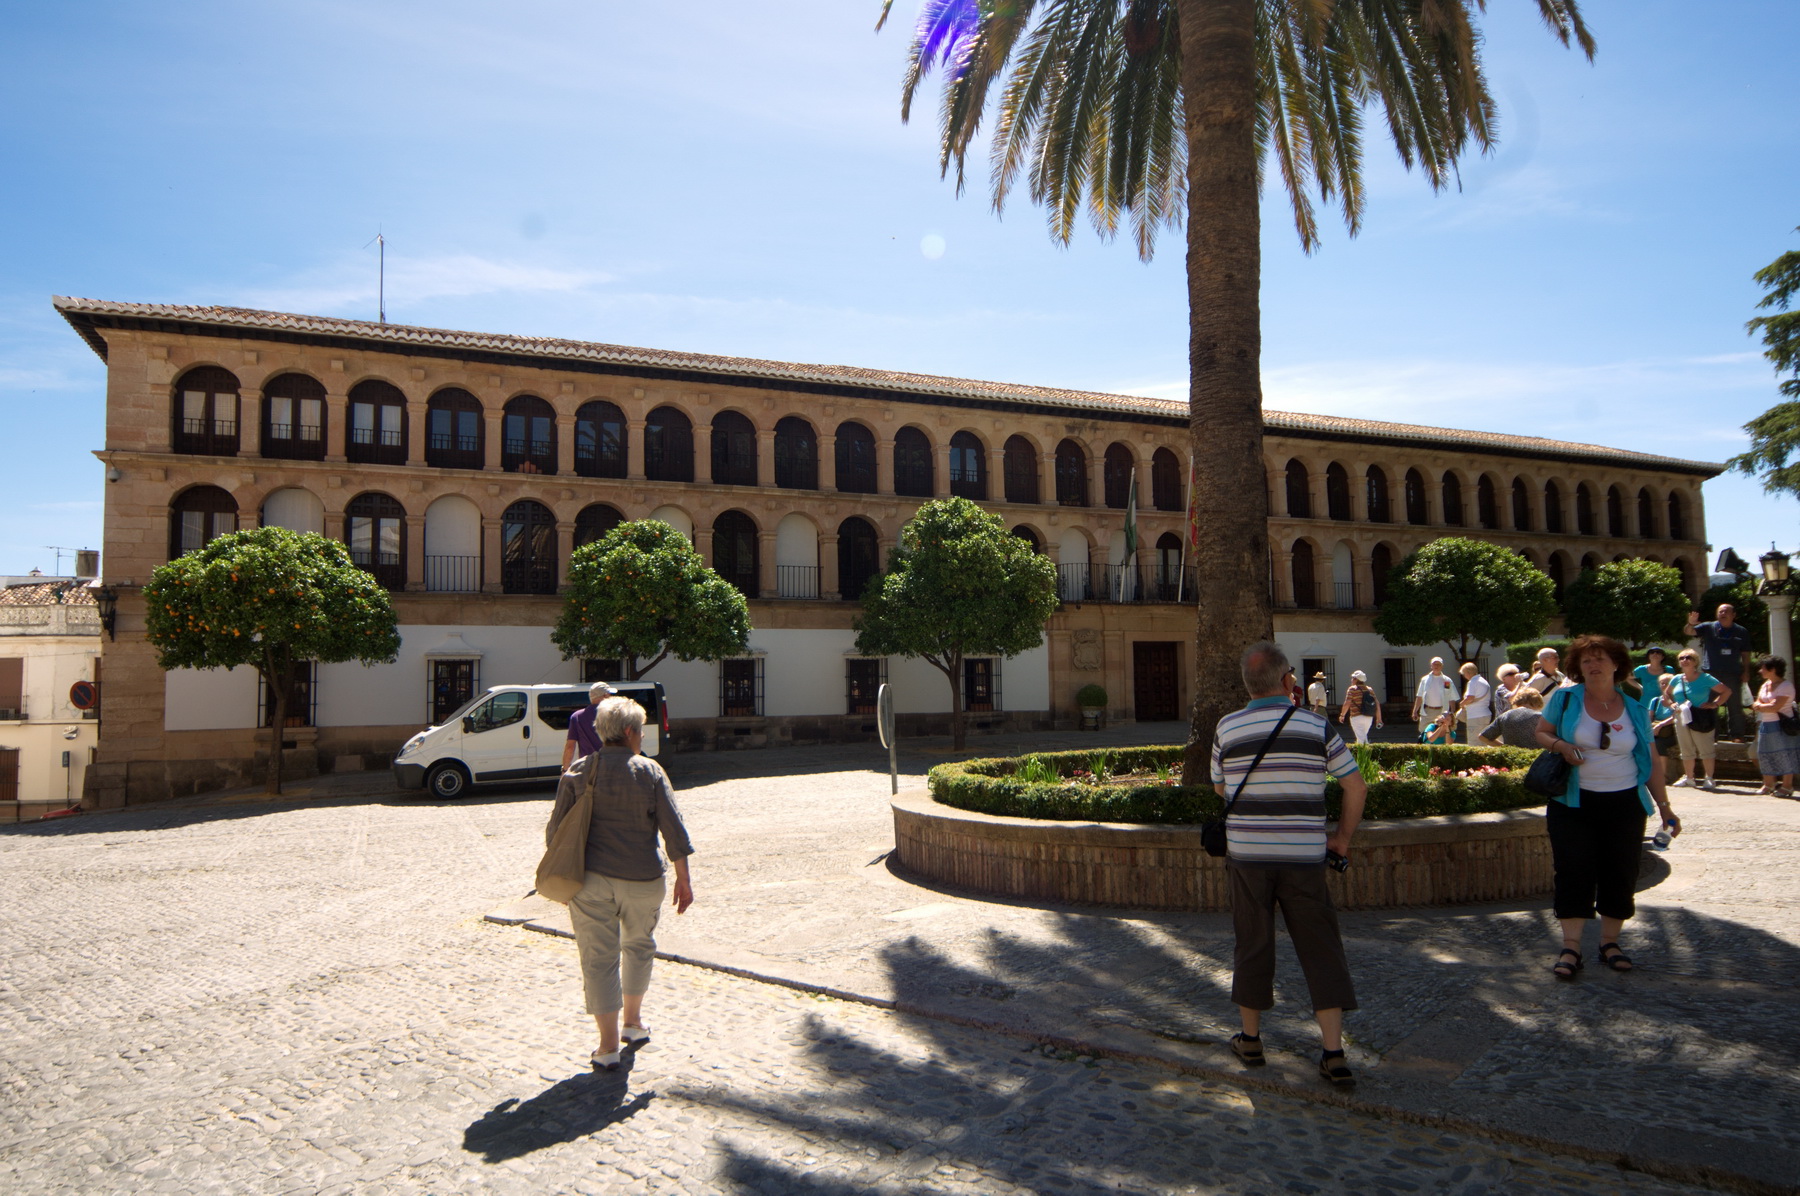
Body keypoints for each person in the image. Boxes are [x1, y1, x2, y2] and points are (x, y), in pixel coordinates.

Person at [1212, 642, 1366, 1088]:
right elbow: (1355, 787)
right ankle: (1334, 1053)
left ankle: (1251, 1039)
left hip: (1248, 857)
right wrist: (1341, 838)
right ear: (1286, 681)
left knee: (1252, 942)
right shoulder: (1315, 727)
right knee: (1321, 947)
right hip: (1304, 857)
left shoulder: (1228, 727)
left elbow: (1221, 789)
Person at [544, 696, 695, 1071]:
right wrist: (683, 879)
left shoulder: (578, 771)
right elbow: (673, 830)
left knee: (598, 961)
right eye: (641, 730)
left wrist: (566, 879)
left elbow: (555, 833)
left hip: (590, 882)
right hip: (643, 878)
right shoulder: (650, 771)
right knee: (640, 947)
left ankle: (607, 1046)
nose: (642, 736)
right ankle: (634, 1022)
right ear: (629, 732)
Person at [1534, 635, 1679, 978]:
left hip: (1625, 802)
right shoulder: (1566, 699)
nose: (1593, 665)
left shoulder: (1636, 709)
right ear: (1578, 668)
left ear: (1617, 665)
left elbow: (1650, 758)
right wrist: (1561, 746)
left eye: (1600, 659)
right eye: (1586, 661)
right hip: (1573, 801)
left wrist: (1665, 807)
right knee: (1573, 870)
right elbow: (1541, 732)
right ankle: (1570, 947)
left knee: (1620, 871)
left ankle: (1610, 943)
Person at [1664, 649, 1729, 790]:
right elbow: (1667, 693)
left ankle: (1709, 778)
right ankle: (1689, 778)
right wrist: (1671, 703)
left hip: (1700, 716)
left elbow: (1726, 691)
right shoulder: (1676, 679)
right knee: (1686, 748)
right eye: (1682, 658)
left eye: (1689, 657)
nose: (1685, 660)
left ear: (1695, 661)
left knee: (1705, 748)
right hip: (1681, 716)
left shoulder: (1705, 678)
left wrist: (1715, 704)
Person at [1687, 605, 1752, 738]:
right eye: (1720, 612)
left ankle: (1737, 735)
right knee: (1710, 705)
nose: (1723, 614)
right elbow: (1689, 632)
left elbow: (1745, 653)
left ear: (1734, 614)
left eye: (1726, 612)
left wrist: (1746, 671)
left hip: (1732, 673)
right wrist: (1690, 623)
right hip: (1711, 674)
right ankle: (1711, 735)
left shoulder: (1741, 631)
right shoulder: (1708, 627)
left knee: (1735, 705)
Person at [1751, 656, 1799, 797]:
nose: (1760, 671)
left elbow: (1775, 706)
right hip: (1766, 724)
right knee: (1764, 754)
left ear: (1773, 669)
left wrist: (1762, 706)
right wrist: (1763, 706)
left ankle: (1787, 786)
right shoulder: (1766, 685)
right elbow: (1757, 702)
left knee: (1784, 754)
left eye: (1763, 668)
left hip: (1782, 725)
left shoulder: (1786, 686)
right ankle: (1768, 784)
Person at [562, 681, 618, 770]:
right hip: (610, 766)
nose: (611, 697)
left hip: (587, 767)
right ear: (605, 696)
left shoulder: (577, 717)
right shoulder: (614, 714)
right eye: (610, 695)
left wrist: (564, 770)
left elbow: (570, 747)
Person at [1479, 685, 1546, 748]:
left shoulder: (1505, 716)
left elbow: (1483, 737)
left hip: (1513, 757)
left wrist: (1505, 748)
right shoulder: (1539, 716)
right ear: (1537, 702)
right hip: (1536, 756)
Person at [1411, 658, 1458, 730]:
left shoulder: (1447, 681)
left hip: (1442, 711)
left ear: (1442, 666)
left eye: (1438, 664)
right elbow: (1419, 696)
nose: (1436, 666)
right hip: (1427, 711)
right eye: (1434, 664)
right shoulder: (1425, 680)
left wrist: (1452, 712)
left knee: (1442, 732)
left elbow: (1451, 697)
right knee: (1424, 732)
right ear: (1431, 666)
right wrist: (1415, 711)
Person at [1338, 671, 1383, 744]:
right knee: (1361, 737)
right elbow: (1377, 704)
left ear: (1356, 679)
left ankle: (1367, 754)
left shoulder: (1352, 689)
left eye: (1353, 678)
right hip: (1369, 717)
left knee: (1362, 740)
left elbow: (1347, 703)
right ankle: (1360, 754)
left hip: (1356, 716)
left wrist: (1342, 715)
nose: (1351, 680)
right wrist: (1379, 718)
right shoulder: (1369, 689)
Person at [1457, 662, 1493, 743]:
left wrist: (1461, 704)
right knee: (1483, 741)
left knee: (1474, 742)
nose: (1464, 676)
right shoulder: (1483, 681)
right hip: (1485, 714)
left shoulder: (1473, 681)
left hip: (1475, 716)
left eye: (1464, 673)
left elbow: (1470, 697)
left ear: (1468, 672)